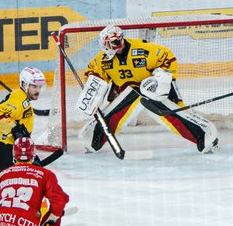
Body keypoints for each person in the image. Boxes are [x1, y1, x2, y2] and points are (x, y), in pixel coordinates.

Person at [83, 24, 218, 153]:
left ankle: (204, 136)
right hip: (129, 92)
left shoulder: (143, 49)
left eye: (118, 40)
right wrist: (94, 94)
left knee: (175, 111)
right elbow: (92, 74)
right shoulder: (104, 60)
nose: (118, 44)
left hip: (155, 89)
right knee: (116, 111)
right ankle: (95, 139)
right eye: (113, 43)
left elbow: (167, 57)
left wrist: (161, 78)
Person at [0, 67, 53, 174]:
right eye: (34, 86)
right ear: (24, 84)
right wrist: (16, 130)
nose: (38, 90)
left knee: (11, 181)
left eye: (40, 87)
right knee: (22, 177)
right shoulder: (19, 98)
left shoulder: (24, 101)